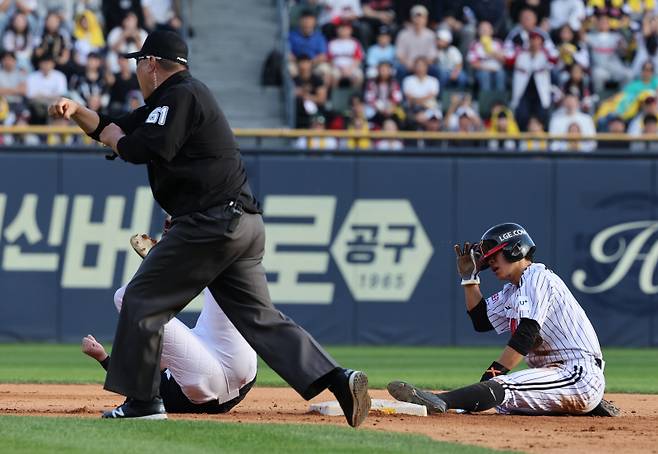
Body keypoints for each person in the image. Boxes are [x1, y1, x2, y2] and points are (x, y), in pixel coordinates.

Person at [48, 30, 371, 425]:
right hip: (242, 224)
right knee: (260, 318)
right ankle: (339, 379)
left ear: (151, 64)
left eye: (138, 62)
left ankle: (142, 404)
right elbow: (113, 124)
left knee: (141, 300)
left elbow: (139, 148)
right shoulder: (173, 100)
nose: (135, 70)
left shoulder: (181, 95)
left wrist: (116, 138)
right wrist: (77, 110)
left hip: (212, 222)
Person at [388, 223, 620, 417]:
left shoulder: (536, 277)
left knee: (502, 387)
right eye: (487, 259)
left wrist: (492, 375)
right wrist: (470, 279)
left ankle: (440, 401)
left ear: (515, 250)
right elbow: (481, 321)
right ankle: (587, 407)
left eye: (494, 255)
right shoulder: (513, 290)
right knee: (501, 402)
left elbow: (526, 334)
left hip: (576, 372)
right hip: (552, 374)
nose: (490, 262)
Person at [82, 233, 258, 415]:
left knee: (224, 269)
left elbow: (134, 378)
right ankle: (173, 263)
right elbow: (136, 382)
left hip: (216, 366)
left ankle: (178, 258)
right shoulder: (158, 383)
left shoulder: (157, 367)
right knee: (126, 298)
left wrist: (103, 358)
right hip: (214, 380)